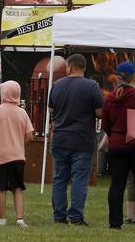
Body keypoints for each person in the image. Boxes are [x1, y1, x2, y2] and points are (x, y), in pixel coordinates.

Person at [49, 54, 104, 226]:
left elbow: (51, 111)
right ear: (83, 68)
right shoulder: (92, 86)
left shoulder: (56, 86)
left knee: (59, 179)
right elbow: (100, 113)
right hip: (82, 140)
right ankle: (76, 217)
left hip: (60, 139)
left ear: (70, 67)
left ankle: (59, 216)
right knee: (79, 180)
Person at [0, 81, 34, 228]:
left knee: (0, 188)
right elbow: (30, 136)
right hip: (17, 156)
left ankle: (2, 220)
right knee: (17, 188)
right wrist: (19, 144)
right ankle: (20, 219)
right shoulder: (22, 112)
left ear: (3, 93)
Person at [101, 61, 135, 229]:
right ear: (132, 76)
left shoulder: (110, 97)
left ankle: (115, 223)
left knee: (116, 185)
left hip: (115, 145)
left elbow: (105, 123)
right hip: (132, 144)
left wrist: (114, 135)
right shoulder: (133, 95)